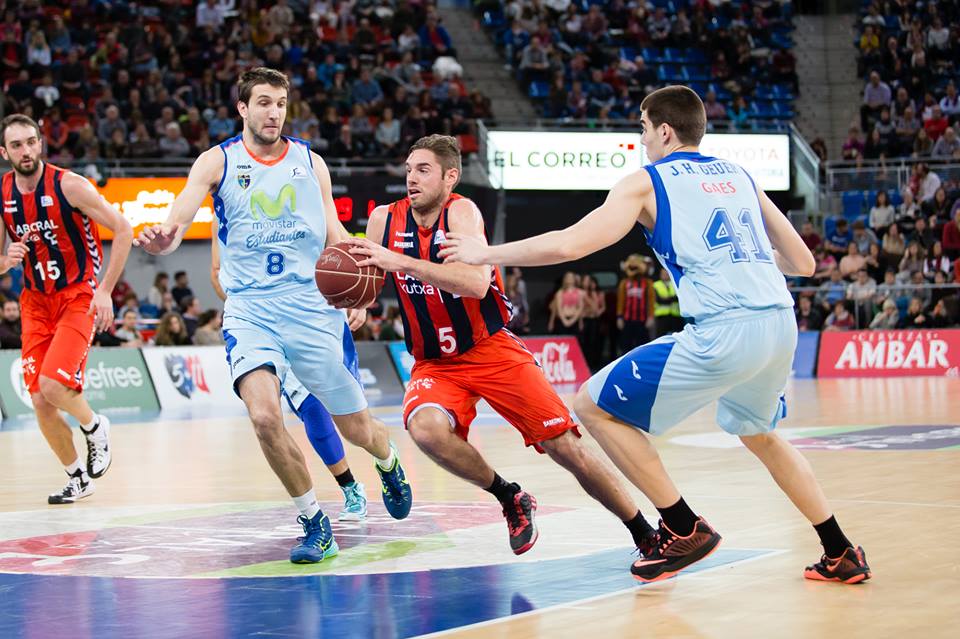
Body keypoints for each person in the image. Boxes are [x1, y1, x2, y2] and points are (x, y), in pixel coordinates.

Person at [440, 86, 871, 584]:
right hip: (779, 323)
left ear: (664, 130)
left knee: (591, 405)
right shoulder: (739, 175)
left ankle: (684, 526)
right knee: (762, 434)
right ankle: (839, 550)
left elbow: (569, 245)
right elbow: (804, 262)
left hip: (724, 330)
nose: (642, 140)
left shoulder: (644, 182)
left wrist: (483, 254)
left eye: (643, 128)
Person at [134, 68, 412, 564]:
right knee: (264, 416)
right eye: (263, 102)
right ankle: (314, 521)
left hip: (311, 309)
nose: (273, 112)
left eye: (280, 103)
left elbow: (336, 234)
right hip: (251, 310)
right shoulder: (215, 162)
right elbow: (177, 222)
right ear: (242, 109)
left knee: (358, 428)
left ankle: (388, 463)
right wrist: (164, 238)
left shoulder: (311, 162)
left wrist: (360, 293)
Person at [346, 134, 658, 558]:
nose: (411, 178)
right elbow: (373, 279)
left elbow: (475, 283)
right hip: (434, 361)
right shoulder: (385, 219)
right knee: (425, 430)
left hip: (491, 348)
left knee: (564, 447)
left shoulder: (462, 214)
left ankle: (645, 532)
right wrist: (359, 302)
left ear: (449, 177)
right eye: (408, 169)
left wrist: (400, 262)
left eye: (423, 170)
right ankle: (509, 495)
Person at [0, 113, 134, 504]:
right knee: (40, 401)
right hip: (34, 301)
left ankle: (95, 426)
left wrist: (105, 291)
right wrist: (7, 258)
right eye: (17, 145)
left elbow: (123, 229)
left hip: (77, 295)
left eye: (31, 142)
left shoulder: (69, 185)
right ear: (4, 152)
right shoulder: (4, 194)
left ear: (41, 143)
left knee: (55, 384)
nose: (26, 151)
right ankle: (77, 477)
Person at [210, 232, 368, 521]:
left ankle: (386, 460)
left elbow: (339, 242)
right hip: (259, 321)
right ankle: (349, 488)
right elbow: (217, 271)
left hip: (310, 315)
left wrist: (354, 295)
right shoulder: (223, 198)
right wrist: (247, 296)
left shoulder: (306, 189)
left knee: (357, 427)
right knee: (312, 413)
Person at [616, 254, 654, 352]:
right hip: (627, 319)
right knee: (626, 343)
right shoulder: (624, 283)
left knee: (642, 344)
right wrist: (619, 317)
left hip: (642, 319)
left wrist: (650, 317)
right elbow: (621, 301)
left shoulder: (648, 282)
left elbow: (650, 300)